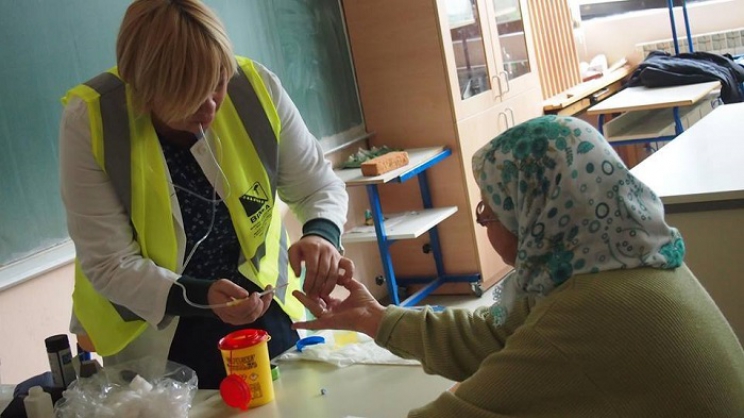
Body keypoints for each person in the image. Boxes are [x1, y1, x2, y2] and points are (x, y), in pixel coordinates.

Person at [293, 115, 744, 417]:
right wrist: (377, 319)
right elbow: (496, 337)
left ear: (536, 211)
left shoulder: (590, 310)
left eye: (490, 210)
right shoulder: (617, 261)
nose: (486, 222)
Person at [59, 0, 353, 389]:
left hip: (262, 308)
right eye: (191, 94)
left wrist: (321, 234)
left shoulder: (254, 87)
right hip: (158, 330)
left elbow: (318, 185)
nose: (212, 104)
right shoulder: (91, 121)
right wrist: (200, 296)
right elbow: (110, 264)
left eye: (217, 82)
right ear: (141, 87)